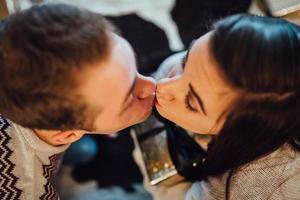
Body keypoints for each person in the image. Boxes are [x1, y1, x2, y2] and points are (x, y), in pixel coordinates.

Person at [0, 3, 156, 199]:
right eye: (129, 99)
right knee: (85, 150)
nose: (152, 84)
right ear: (66, 134)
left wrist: (100, 115)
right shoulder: (28, 189)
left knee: (85, 149)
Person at [136, 14, 300, 199]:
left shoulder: (235, 190)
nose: (164, 85)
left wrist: (144, 160)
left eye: (191, 102)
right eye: (185, 62)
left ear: (238, 132)